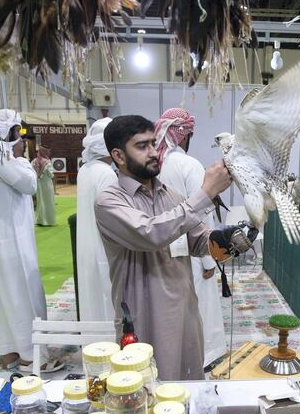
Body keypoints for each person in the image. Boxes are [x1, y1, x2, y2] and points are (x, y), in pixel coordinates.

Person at [95, 115, 232, 380]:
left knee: (188, 385)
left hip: (184, 311)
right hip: (143, 314)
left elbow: (199, 240)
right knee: (147, 390)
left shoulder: (171, 195)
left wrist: (231, 241)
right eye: (142, 146)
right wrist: (205, 194)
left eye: (154, 143)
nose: (153, 152)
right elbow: (151, 233)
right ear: (118, 156)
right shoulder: (109, 201)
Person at [0, 109, 63, 372]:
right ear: (8, 132)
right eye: (18, 132)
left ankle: (8, 353)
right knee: (20, 293)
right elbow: (28, 183)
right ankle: (31, 356)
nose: (21, 139)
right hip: (8, 240)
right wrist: (20, 157)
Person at [154, 108, 227, 366]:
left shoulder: (156, 162)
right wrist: (210, 260)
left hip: (161, 246)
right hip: (193, 248)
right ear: (185, 135)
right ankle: (204, 357)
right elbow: (201, 213)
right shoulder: (189, 165)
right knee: (201, 304)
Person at [76, 118, 117, 323]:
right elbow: (112, 220)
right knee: (108, 301)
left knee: (92, 300)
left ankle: (93, 347)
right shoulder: (106, 174)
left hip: (86, 247)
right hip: (103, 249)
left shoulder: (86, 169)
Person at [32, 146, 57, 226]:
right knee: (48, 201)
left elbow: (31, 172)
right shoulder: (47, 162)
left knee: (40, 201)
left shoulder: (34, 161)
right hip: (47, 185)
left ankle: (40, 220)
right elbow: (51, 174)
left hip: (38, 184)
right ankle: (49, 221)